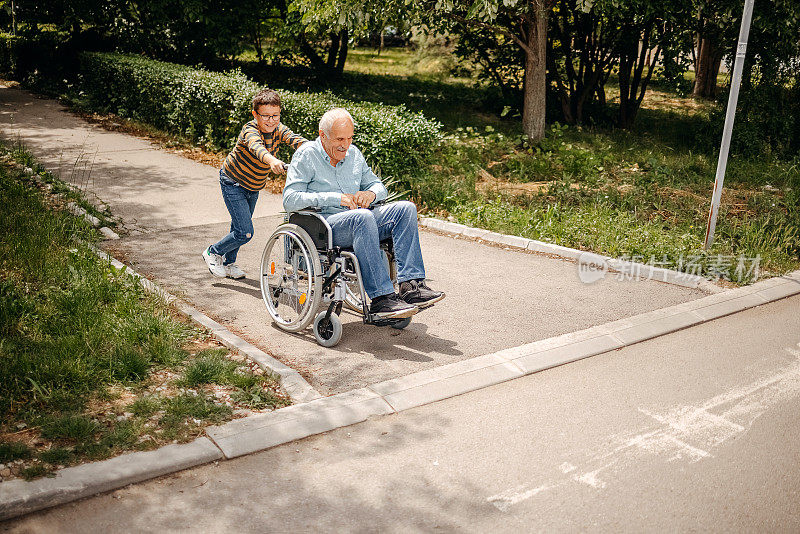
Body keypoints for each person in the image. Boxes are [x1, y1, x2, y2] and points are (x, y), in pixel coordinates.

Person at [283, 108, 445, 320]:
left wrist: (370, 193)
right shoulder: (307, 155)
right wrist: (335, 198)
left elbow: (378, 186)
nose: (345, 145)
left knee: (405, 209)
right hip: (325, 226)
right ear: (323, 135)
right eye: (340, 139)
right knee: (363, 217)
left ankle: (411, 286)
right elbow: (290, 199)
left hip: (360, 222)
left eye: (350, 138)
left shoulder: (354, 155)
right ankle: (381, 298)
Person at [202, 89, 307, 279]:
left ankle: (229, 263)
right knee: (245, 232)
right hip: (233, 182)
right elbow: (256, 147)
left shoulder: (278, 129)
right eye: (265, 116)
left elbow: (296, 140)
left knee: (238, 228)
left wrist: (319, 150)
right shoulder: (250, 129)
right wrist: (272, 160)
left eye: (275, 115)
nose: (271, 120)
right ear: (255, 114)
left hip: (253, 186)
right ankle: (213, 251)